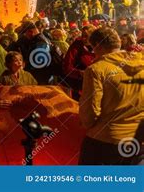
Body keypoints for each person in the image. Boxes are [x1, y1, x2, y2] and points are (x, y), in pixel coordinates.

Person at [79, 27, 144, 165]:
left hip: (104, 141)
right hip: (135, 139)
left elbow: (89, 113)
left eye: (92, 48)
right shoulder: (141, 64)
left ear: (98, 45)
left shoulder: (96, 70)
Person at [62, 25, 95, 100]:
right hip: (78, 88)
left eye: (86, 36)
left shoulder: (99, 47)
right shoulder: (76, 45)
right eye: (83, 35)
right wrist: (80, 73)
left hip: (94, 87)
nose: (84, 38)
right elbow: (67, 67)